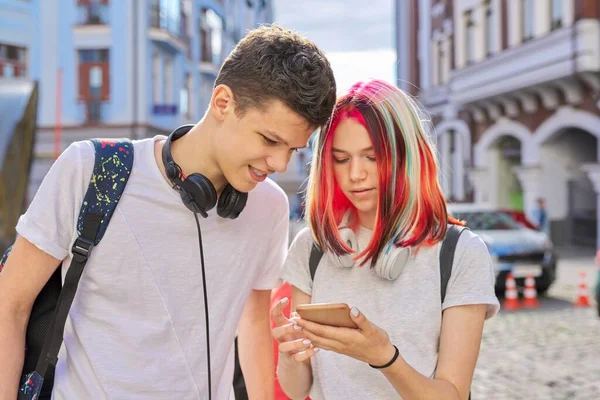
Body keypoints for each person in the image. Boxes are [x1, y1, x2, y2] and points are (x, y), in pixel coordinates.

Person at [0, 24, 336, 399]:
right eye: (270, 140)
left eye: (292, 149)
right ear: (223, 102)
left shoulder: (270, 207)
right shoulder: (91, 170)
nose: (278, 162)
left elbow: (254, 323)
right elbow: (10, 305)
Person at [271, 79, 499, 399]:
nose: (355, 174)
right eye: (341, 159)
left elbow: (453, 394)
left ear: (407, 155)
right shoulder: (312, 248)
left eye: (371, 156)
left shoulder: (460, 253)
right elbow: (297, 390)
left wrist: (384, 358)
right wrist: (288, 351)